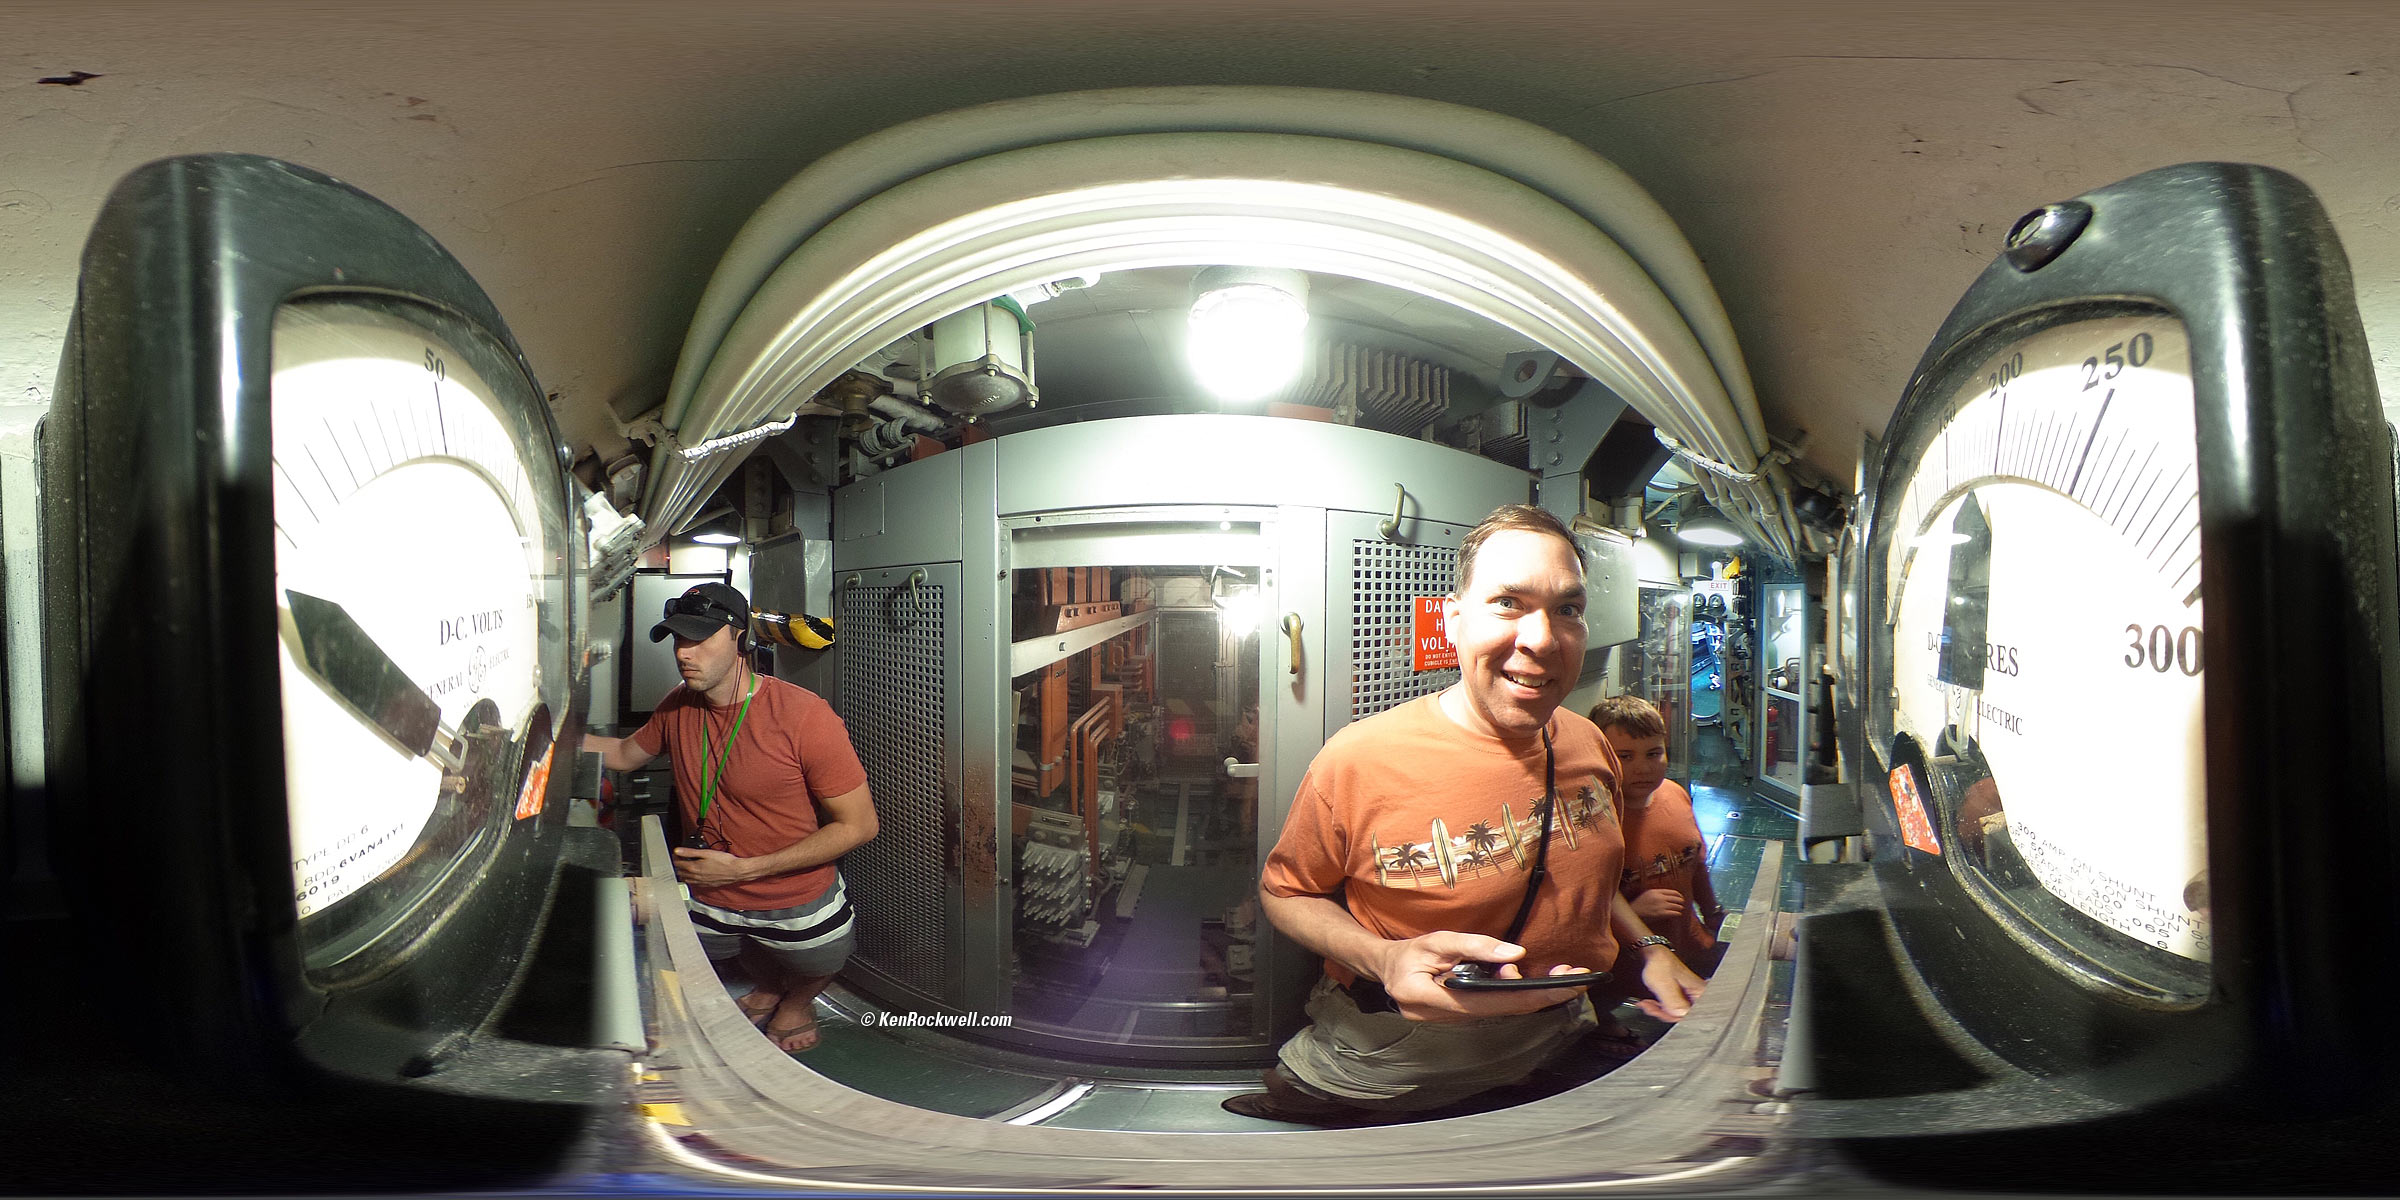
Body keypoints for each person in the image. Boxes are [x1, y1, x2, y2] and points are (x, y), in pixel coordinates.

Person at [1224, 505, 1707, 1124]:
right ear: (1454, 620)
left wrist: (1651, 948)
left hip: (1557, 1042)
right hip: (1393, 1064)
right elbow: (1286, 892)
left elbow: (1587, 880)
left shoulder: (1590, 744)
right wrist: (1383, 959)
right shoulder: (1359, 759)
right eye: (1507, 603)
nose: (1541, 639)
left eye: (1568, 608)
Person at [585, 582, 878, 1053]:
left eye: (699, 639)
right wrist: (546, 738)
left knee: (820, 962)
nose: (684, 653)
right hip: (709, 891)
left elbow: (860, 825)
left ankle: (796, 1004)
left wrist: (747, 870)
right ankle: (768, 988)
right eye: (678, 639)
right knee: (735, 952)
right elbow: (621, 754)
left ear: (743, 640)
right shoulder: (677, 705)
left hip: (793, 895)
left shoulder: (805, 717)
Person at [1589, 695, 1725, 976]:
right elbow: (1583, 908)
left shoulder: (1675, 794)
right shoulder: (1594, 821)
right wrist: (1633, 912)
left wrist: (1712, 913)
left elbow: (1696, 863)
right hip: (1632, 970)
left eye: (1653, 754)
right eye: (1625, 757)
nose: (1643, 768)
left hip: (1692, 947)